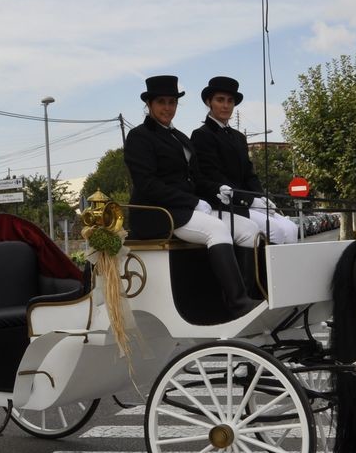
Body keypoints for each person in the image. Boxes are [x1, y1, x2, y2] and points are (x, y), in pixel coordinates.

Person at [123, 74, 259, 317]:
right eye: (162, 102)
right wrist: (192, 201)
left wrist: (219, 192)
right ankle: (237, 303)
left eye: (172, 102)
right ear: (150, 105)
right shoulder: (139, 137)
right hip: (158, 212)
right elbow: (147, 184)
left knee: (248, 229)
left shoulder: (179, 138)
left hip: (187, 208)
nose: (168, 108)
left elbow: (196, 179)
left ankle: (249, 295)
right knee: (215, 229)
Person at [191, 76, 299, 246]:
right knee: (275, 231)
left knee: (292, 228)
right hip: (225, 204)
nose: (226, 105)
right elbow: (213, 175)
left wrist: (261, 197)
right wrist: (248, 200)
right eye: (220, 100)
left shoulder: (239, 137)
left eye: (230, 101)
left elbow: (249, 174)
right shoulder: (202, 135)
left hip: (248, 202)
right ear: (209, 102)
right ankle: (264, 273)